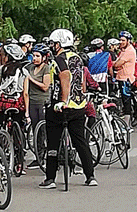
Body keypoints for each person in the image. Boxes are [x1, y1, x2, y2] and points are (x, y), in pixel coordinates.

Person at [40, 28, 97, 189]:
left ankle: (50, 178)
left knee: (52, 141)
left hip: (61, 106)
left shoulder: (59, 59)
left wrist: (63, 100)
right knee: (80, 141)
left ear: (59, 44)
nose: (51, 46)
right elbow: (81, 81)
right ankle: (90, 175)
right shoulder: (77, 58)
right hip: (79, 106)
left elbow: (64, 77)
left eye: (53, 43)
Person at [23, 43, 52, 136]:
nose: (34, 58)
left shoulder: (46, 68)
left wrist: (31, 79)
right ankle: (38, 149)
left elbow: (45, 86)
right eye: (33, 56)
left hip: (42, 102)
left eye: (37, 56)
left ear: (43, 57)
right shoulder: (30, 67)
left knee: (44, 129)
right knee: (35, 129)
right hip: (32, 102)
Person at [112, 31, 137, 125]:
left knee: (126, 101)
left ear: (128, 41)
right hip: (120, 77)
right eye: (120, 40)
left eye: (123, 40)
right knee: (124, 100)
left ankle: (126, 124)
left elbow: (116, 64)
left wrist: (117, 65)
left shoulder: (129, 51)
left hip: (125, 78)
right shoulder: (123, 51)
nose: (120, 42)